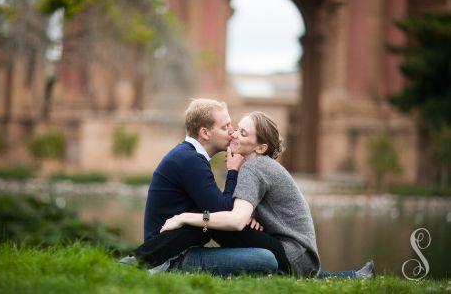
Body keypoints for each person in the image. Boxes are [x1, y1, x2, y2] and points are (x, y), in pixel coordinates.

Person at [159, 111, 375, 279]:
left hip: (293, 254)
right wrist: (250, 216)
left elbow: (234, 220)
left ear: (261, 148)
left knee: (220, 224)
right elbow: (238, 211)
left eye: (243, 133)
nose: (233, 134)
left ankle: (159, 260)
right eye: (237, 128)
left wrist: (184, 217)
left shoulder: (255, 167)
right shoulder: (255, 164)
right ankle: (355, 275)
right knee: (221, 220)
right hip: (298, 253)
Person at [132, 99, 279, 274]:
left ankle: (300, 268)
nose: (232, 132)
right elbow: (222, 209)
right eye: (225, 127)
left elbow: (217, 211)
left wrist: (249, 213)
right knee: (265, 259)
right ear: (205, 133)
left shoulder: (189, 156)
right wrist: (233, 171)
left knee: (264, 255)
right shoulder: (190, 160)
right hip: (169, 257)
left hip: (183, 249)